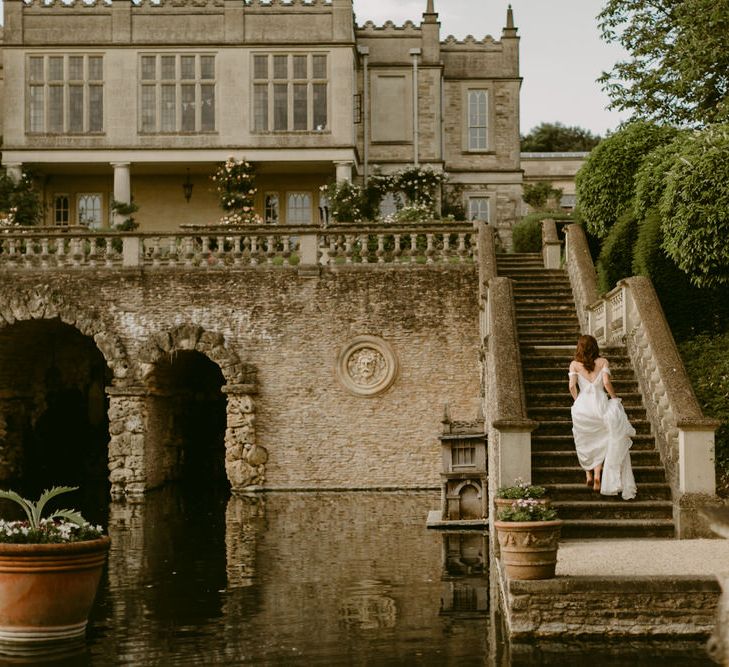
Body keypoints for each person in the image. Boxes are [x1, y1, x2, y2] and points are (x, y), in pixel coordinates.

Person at [568, 334, 637, 500]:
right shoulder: (603, 362)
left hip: (583, 406)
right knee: (601, 439)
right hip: (600, 404)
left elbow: (571, 386)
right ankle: (598, 474)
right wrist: (614, 398)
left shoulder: (574, 364)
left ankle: (589, 475)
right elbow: (606, 383)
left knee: (584, 439)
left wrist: (577, 401)